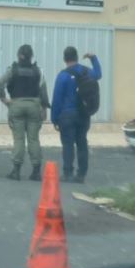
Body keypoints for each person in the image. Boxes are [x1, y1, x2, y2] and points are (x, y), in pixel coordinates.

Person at [0, 44, 51, 181]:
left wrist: (4, 100)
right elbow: (43, 91)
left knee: (19, 139)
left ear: (18, 55)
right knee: (33, 139)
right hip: (34, 106)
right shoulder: (38, 71)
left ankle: (16, 171)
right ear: (31, 56)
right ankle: (36, 172)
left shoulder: (12, 70)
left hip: (17, 105)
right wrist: (44, 109)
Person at [51, 46, 102, 184]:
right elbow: (98, 74)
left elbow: (57, 99)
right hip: (84, 115)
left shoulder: (63, 76)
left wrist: (54, 118)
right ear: (77, 57)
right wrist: (93, 58)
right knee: (82, 143)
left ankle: (68, 173)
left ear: (64, 59)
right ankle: (81, 174)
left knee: (68, 144)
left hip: (67, 116)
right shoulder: (87, 72)